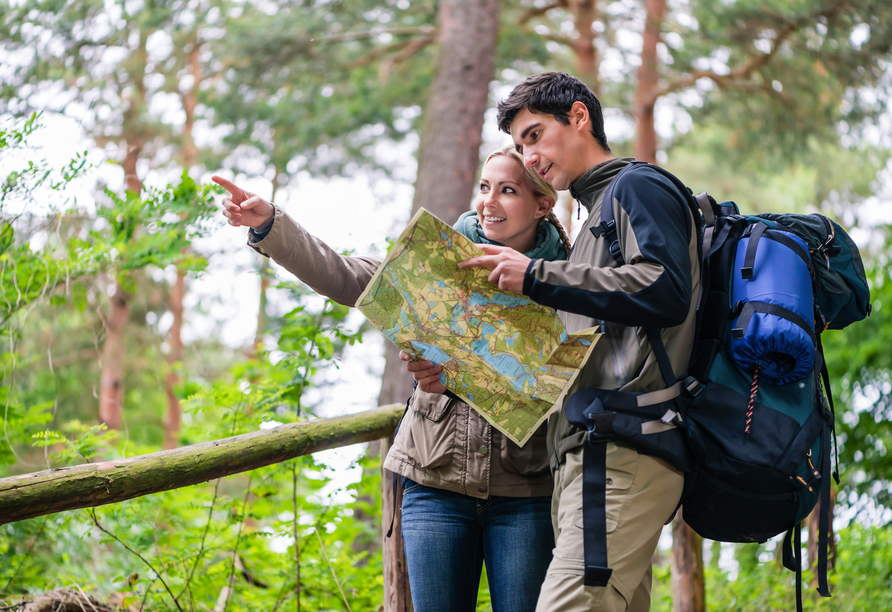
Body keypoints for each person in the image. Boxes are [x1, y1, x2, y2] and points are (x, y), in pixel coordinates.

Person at [213, 146, 572, 612]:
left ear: (543, 204)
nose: (489, 201)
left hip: (527, 491)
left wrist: (485, 377)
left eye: (508, 190)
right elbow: (346, 275)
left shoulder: (567, 278)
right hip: (433, 482)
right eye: (485, 187)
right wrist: (270, 226)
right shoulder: (441, 258)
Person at [425, 72, 699, 612]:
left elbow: (666, 289)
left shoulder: (636, 187)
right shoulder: (597, 213)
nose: (528, 156)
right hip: (589, 459)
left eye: (534, 135)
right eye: (520, 144)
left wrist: (538, 276)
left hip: (622, 452)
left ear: (578, 117)